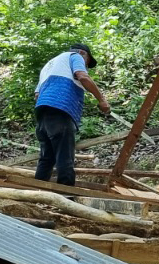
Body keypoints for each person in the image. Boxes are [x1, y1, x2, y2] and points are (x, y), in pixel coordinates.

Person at [33, 43, 110, 186]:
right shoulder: (76, 56)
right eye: (87, 63)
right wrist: (102, 100)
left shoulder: (49, 65)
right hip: (60, 111)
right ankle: (67, 196)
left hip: (42, 113)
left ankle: (34, 194)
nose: (86, 66)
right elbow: (83, 77)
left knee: (46, 158)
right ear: (83, 53)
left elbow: (37, 95)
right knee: (65, 156)